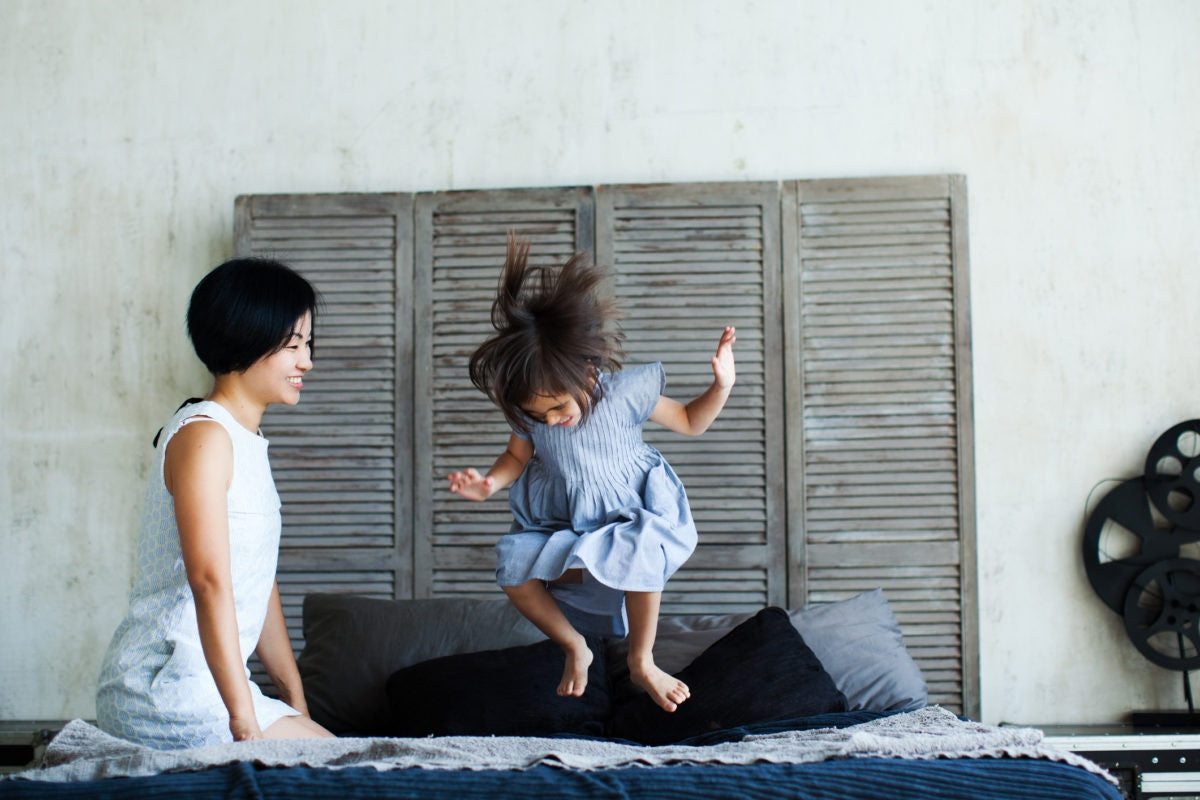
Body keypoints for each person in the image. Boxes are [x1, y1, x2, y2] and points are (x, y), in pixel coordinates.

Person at [447, 236, 736, 713]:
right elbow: (516, 458)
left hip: (628, 513)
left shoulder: (622, 395)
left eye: (558, 408)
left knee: (643, 548)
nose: (551, 422)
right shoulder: (531, 415)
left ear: (587, 375)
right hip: (567, 522)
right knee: (512, 565)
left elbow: (690, 421)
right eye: (539, 416)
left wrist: (720, 385)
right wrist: (489, 484)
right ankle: (574, 646)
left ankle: (643, 661)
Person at [96, 258, 334, 749]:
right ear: (244, 341)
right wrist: (246, 725)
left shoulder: (245, 439)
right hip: (163, 688)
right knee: (341, 771)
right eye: (293, 346)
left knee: (340, 759)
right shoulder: (205, 435)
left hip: (213, 686)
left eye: (307, 344)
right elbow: (209, 583)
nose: (306, 361)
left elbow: (256, 581)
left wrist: (294, 702)